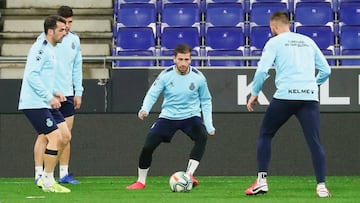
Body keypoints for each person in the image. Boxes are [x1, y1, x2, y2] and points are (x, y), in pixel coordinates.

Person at [244, 11, 331, 198]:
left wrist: (255, 93)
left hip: (285, 97)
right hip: (309, 97)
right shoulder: (308, 41)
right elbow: (326, 70)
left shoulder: (274, 42)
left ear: (274, 27)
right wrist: (312, 85)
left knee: (266, 134)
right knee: (314, 142)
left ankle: (262, 181)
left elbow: (261, 71)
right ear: (288, 24)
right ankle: (321, 186)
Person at [126, 44, 216, 189]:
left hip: (191, 116)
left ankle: (189, 175)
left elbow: (206, 100)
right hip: (168, 116)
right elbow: (153, 93)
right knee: (148, 147)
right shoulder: (166, 75)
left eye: (186, 59)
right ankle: (141, 181)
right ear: (174, 59)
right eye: (180, 59)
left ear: (190, 60)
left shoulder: (199, 78)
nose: (183, 63)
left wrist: (209, 124)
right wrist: (145, 109)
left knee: (202, 136)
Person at [19, 15, 71, 193]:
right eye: (61, 30)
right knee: (54, 137)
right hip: (35, 102)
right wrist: (49, 97)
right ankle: (47, 181)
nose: (65, 33)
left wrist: (55, 92)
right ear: (50, 31)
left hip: (45, 101)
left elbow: (44, 76)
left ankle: (47, 177)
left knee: (65, 136)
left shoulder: (51, 49)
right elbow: (32, 75)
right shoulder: (40, 49)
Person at [34, 5, 83, 185]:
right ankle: (40, 174)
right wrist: (48, 93)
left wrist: (78, 91)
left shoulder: (74, 40)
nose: (68, 26)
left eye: (70, 22)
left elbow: (77, 67)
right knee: (45, 135)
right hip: (48, 94)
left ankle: (63, 173)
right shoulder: (43, 41)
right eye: (65, 23)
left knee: (65, 134)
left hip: (67, 94)